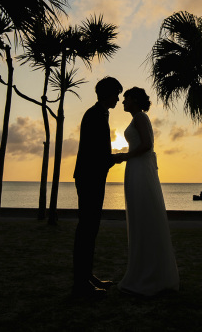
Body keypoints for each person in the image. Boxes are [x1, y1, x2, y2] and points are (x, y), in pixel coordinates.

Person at [114, 87, 179, 296]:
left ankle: (148, 275)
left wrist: (124, 156)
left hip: (140, 168)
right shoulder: (139, 118)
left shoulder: (140, 117)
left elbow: (147, 145)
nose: (123, 102)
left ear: (134, 100)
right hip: (137, 167)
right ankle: (145, 270)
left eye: (126, 99)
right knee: (140, 216)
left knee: (143, 216)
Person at [72, 76, 124, 297]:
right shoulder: (94, 115)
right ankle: (82, 283)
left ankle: (87, 276)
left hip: (93, 177)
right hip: (89, 178)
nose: (118, 99)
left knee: (90, 229)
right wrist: (119, 158)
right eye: (116, 94)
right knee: (87, 229)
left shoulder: (99, 114)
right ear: (108, 94)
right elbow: (96, 154)